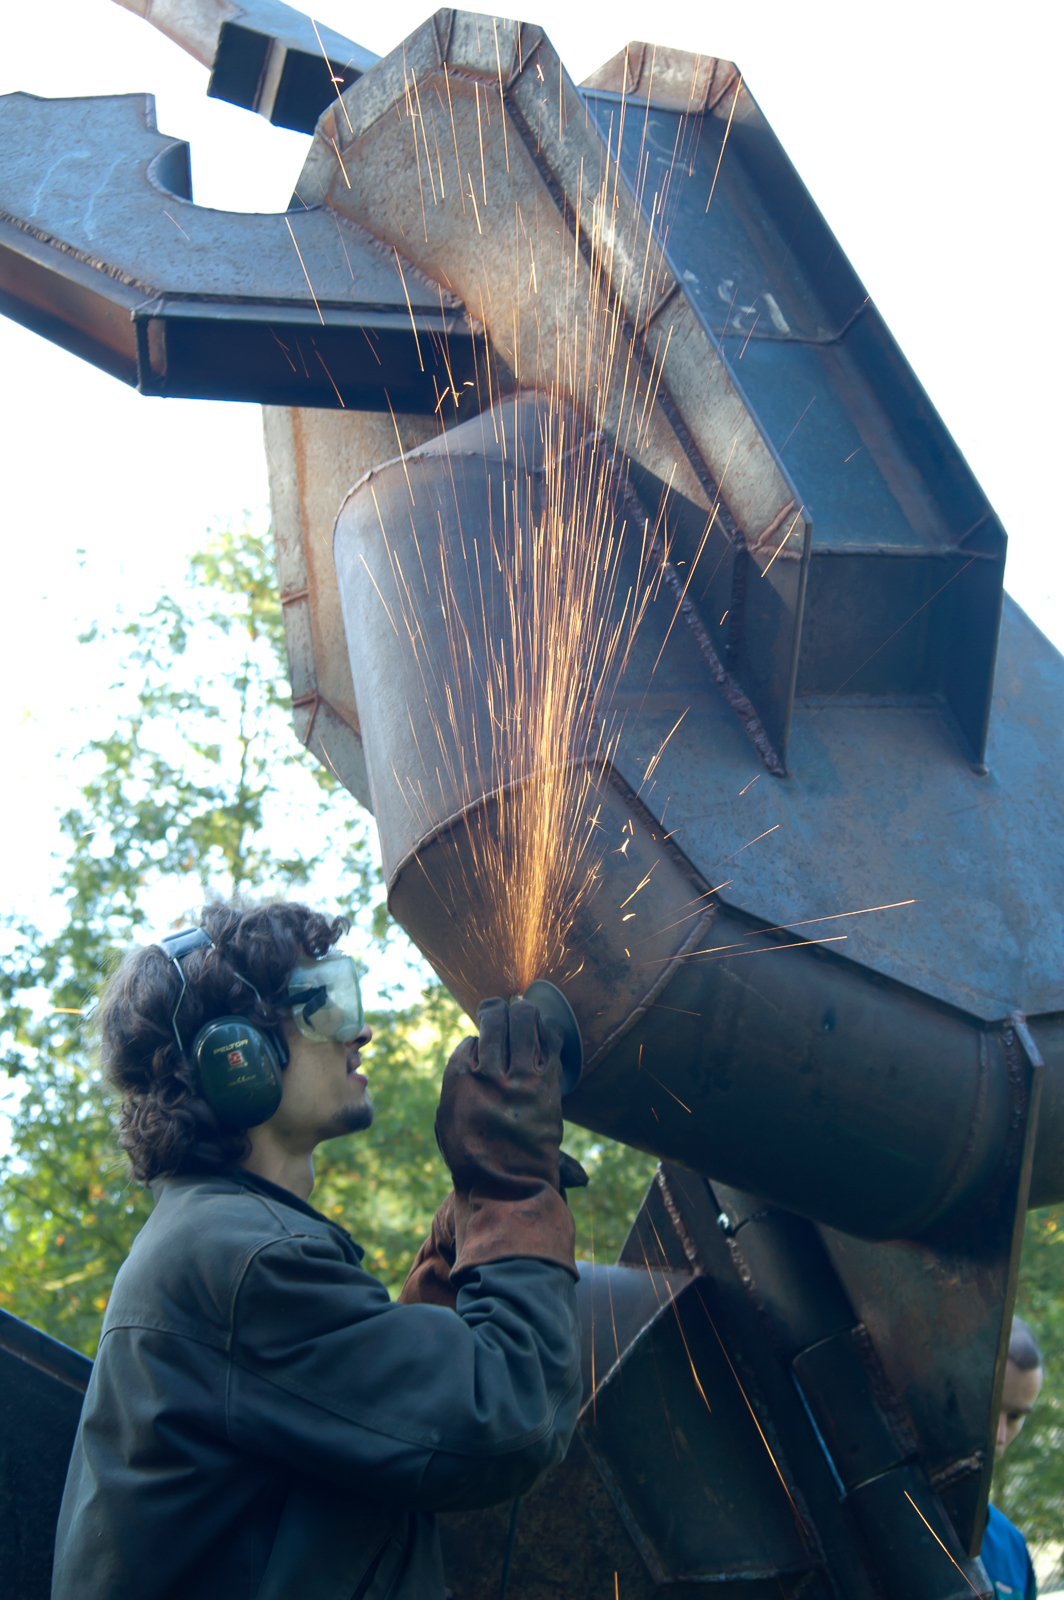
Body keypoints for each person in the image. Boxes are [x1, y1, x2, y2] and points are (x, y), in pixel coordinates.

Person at [52, 900, 585, 1600]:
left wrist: (459, 1246)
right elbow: (511, 1417)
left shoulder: (217, 1247)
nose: (358, 1031)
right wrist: (509, 1183)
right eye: (319, 1007)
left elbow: (393, 1430)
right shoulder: (242, 1263)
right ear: (235, 1056)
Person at [981, 1316, 1044, 1600]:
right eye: (990, 1406)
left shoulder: (1012, 1548)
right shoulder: (873, 1519)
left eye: (1015, 1416)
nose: (999, 1435)